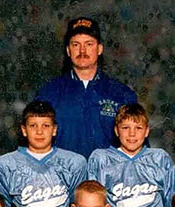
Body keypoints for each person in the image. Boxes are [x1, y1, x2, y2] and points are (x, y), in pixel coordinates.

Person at [36, 17, 137, 159]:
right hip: (62, 177)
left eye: (89, 44)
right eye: (76, 44)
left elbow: (138, 147)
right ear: (68, 50)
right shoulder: (49, 93)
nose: (82, 50)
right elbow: (34, 144)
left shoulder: (121, 94)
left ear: (100, 49)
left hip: (108, 178)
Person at [0, 100, 86, 207]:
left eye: (46, 126)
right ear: (24, 130)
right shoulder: (6, 164)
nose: (39, 131)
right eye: (33, 126)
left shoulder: (74, 162)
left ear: (54, 129)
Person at [88, 103, 175, 207]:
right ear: (116, 130)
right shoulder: (101, 159)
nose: (132, 134)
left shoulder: (159, 159)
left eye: (138, 128)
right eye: (125, 128)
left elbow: (169, 201)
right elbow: (93, 203)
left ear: (147, 131)